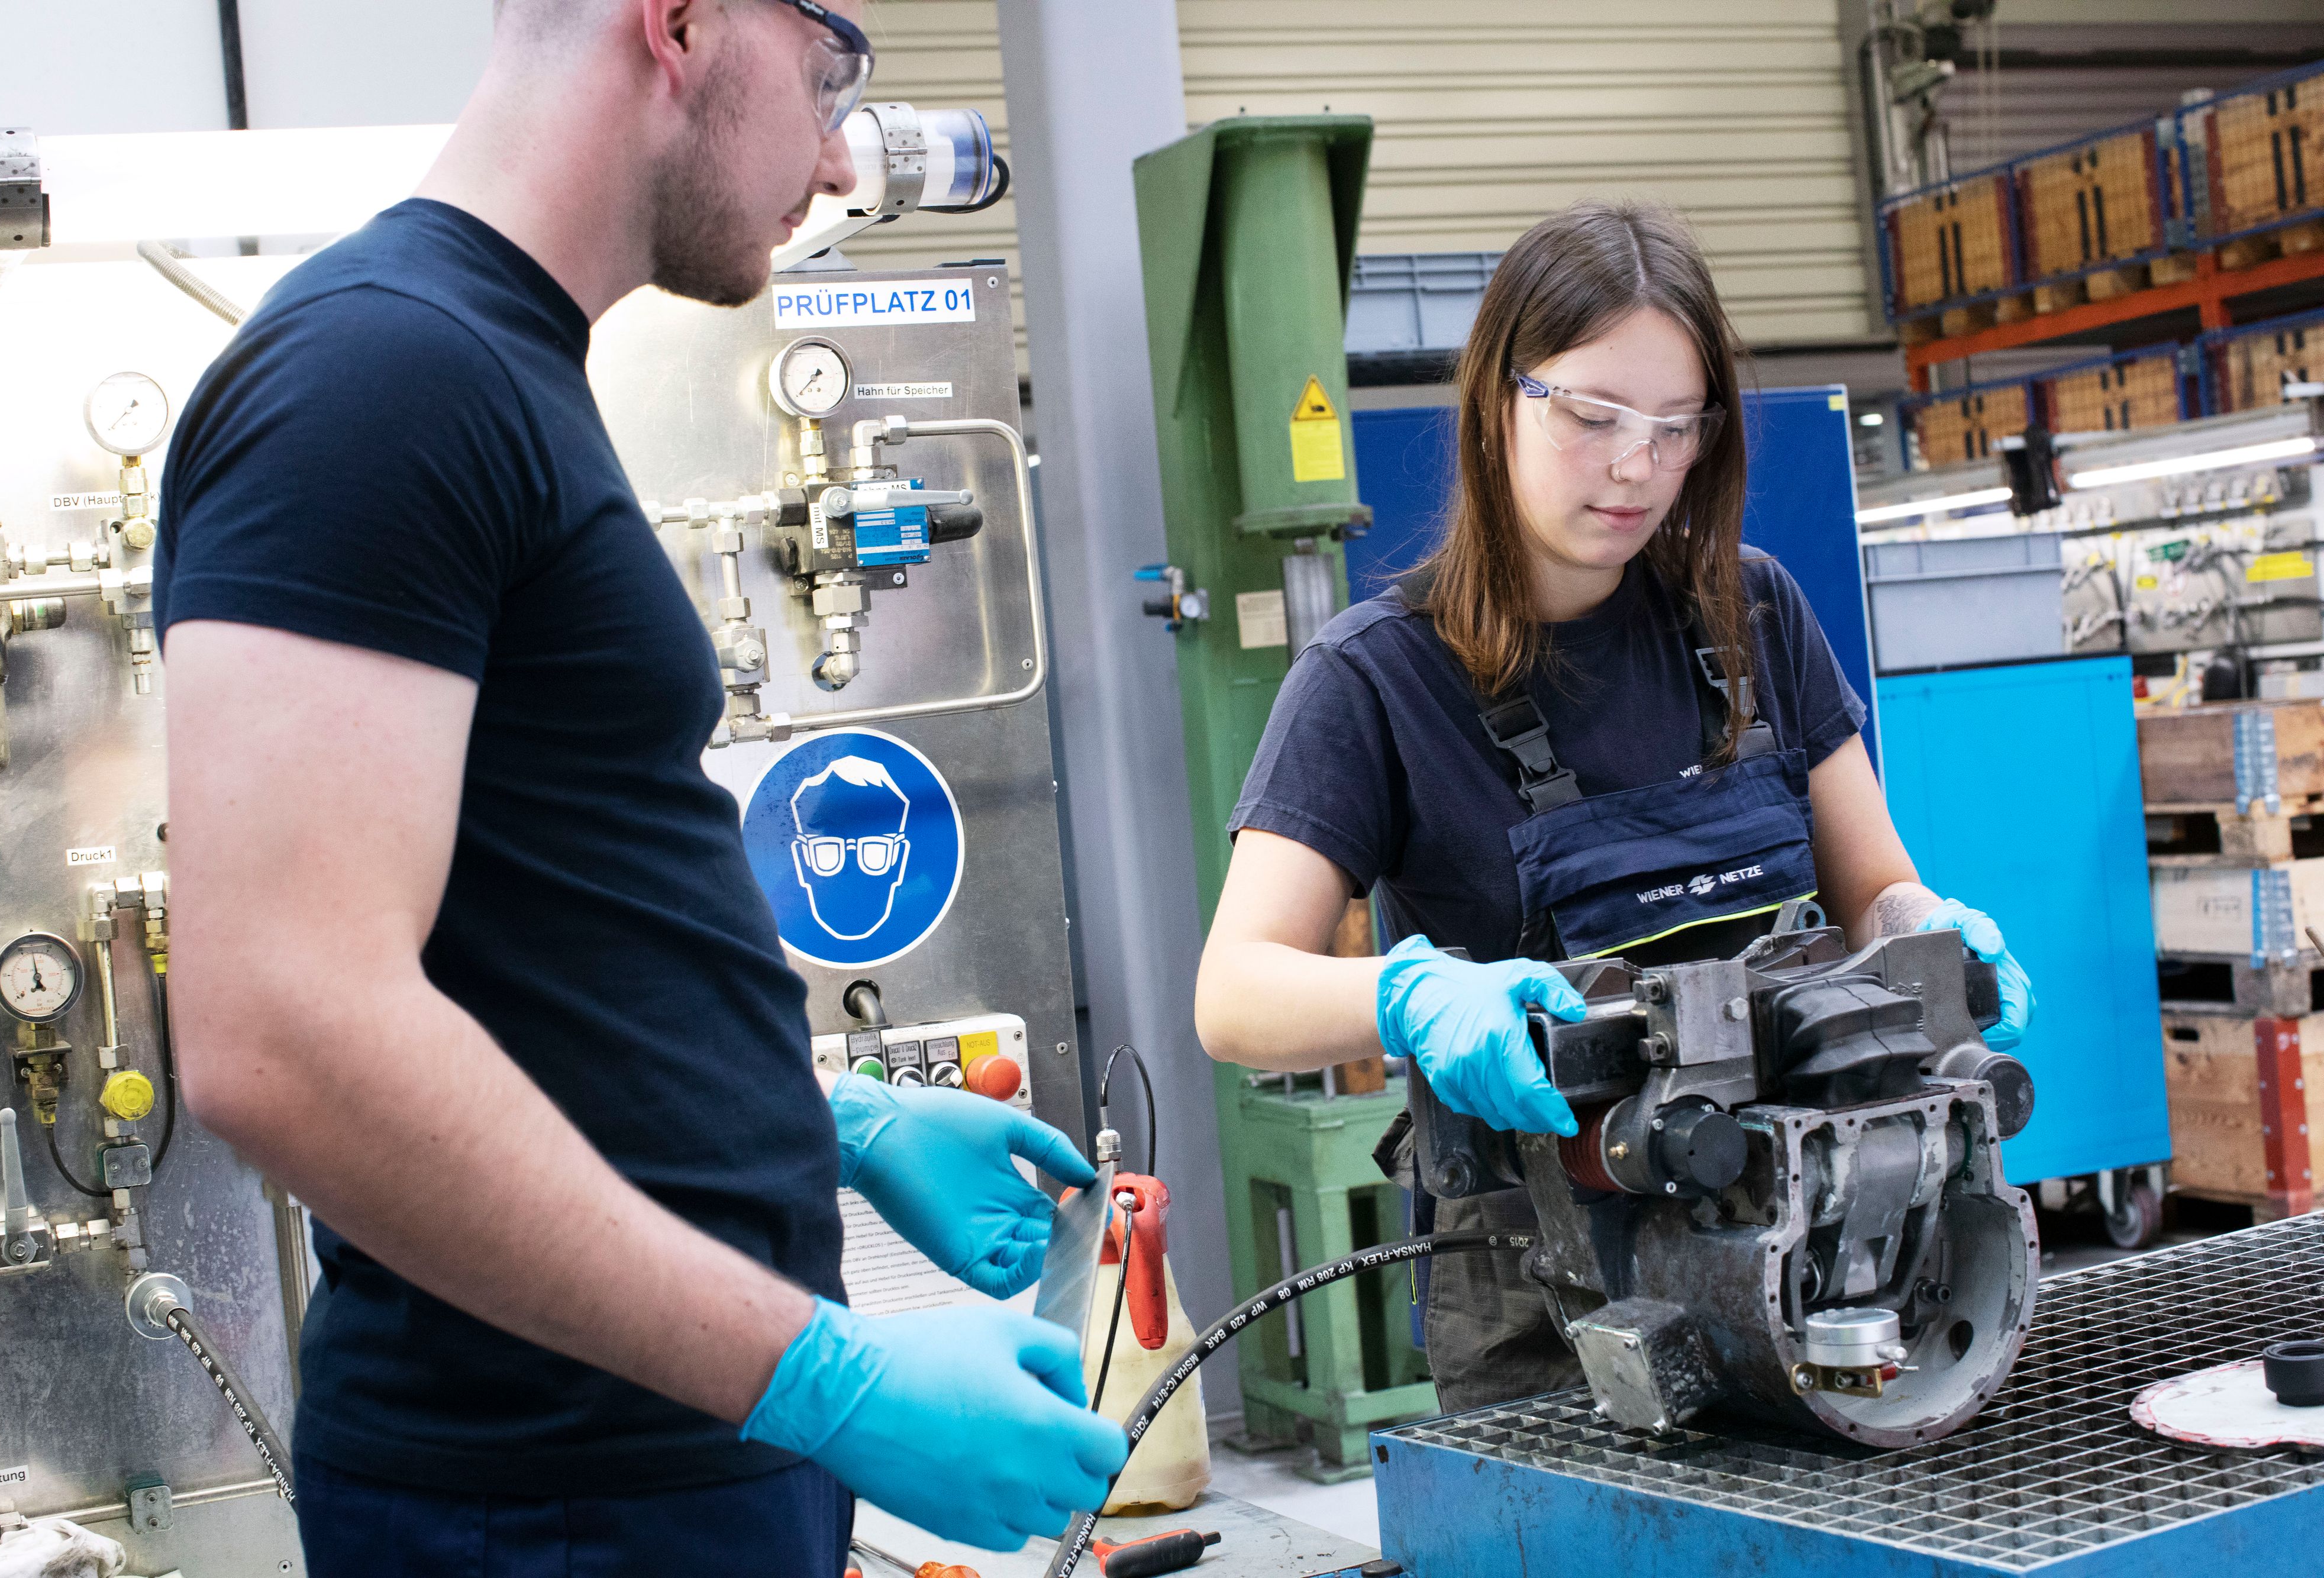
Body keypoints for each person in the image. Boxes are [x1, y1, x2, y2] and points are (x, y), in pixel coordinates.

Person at [154, 2, 1124, 1571]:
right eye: (826, 76)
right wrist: (825, 1370)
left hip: (666, 1463)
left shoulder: (493, 367)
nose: (831, 153)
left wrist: (825, 1121)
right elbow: (287, 1038)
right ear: (675, 20)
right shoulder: (383, 374)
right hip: (551, 1501)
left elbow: (544, 951)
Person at [1193, 200, 2034, 1414]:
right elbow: (1232, 994)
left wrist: (1927, 926)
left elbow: (1870, 890)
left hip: (1823, 1257)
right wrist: (1413, 993)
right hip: (1552, 1308)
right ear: (1499, 399)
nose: (1637, 464)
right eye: (1592, 417)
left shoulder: (1748, 612)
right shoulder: (1374, 678)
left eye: (1676, 427)